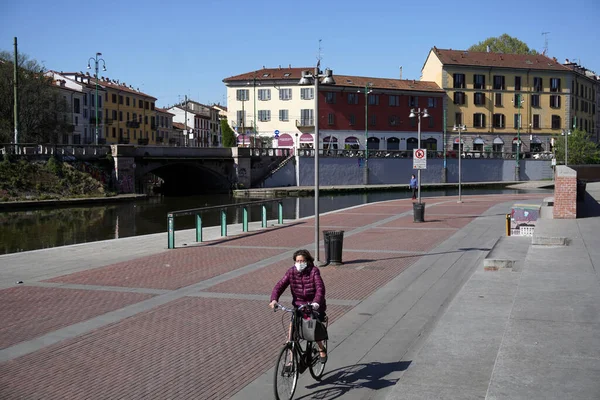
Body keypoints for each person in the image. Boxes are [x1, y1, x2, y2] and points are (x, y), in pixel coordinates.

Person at [269, 249, 327, 362]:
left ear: (308, 261)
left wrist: (316, 303)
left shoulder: (314, 271)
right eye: (297, 261)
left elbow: (320, 288)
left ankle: (321, 348)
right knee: (291, 333)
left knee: (313, 329)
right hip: (298, 306)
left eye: (302, 261)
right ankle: (291, 361)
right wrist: (274, 299)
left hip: (312, 305)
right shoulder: (291, 272)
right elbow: (280, 285)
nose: (299, 263)